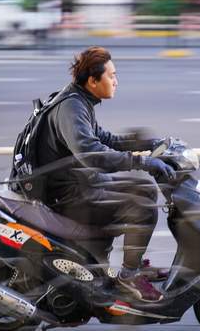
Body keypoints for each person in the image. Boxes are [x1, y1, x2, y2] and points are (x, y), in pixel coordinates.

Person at [35, 46, 175, 302]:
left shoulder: (79, 100)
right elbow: (91, 153)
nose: (116, 82)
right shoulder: (72, 108)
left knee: (143, 188)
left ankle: (132, 263)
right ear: (92, 80)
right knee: (141, 208)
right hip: (67, 195)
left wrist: (146, 144)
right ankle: (129, 277)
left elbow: (104, 138)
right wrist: (141, 162)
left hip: (78, 181)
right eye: (111, 76)